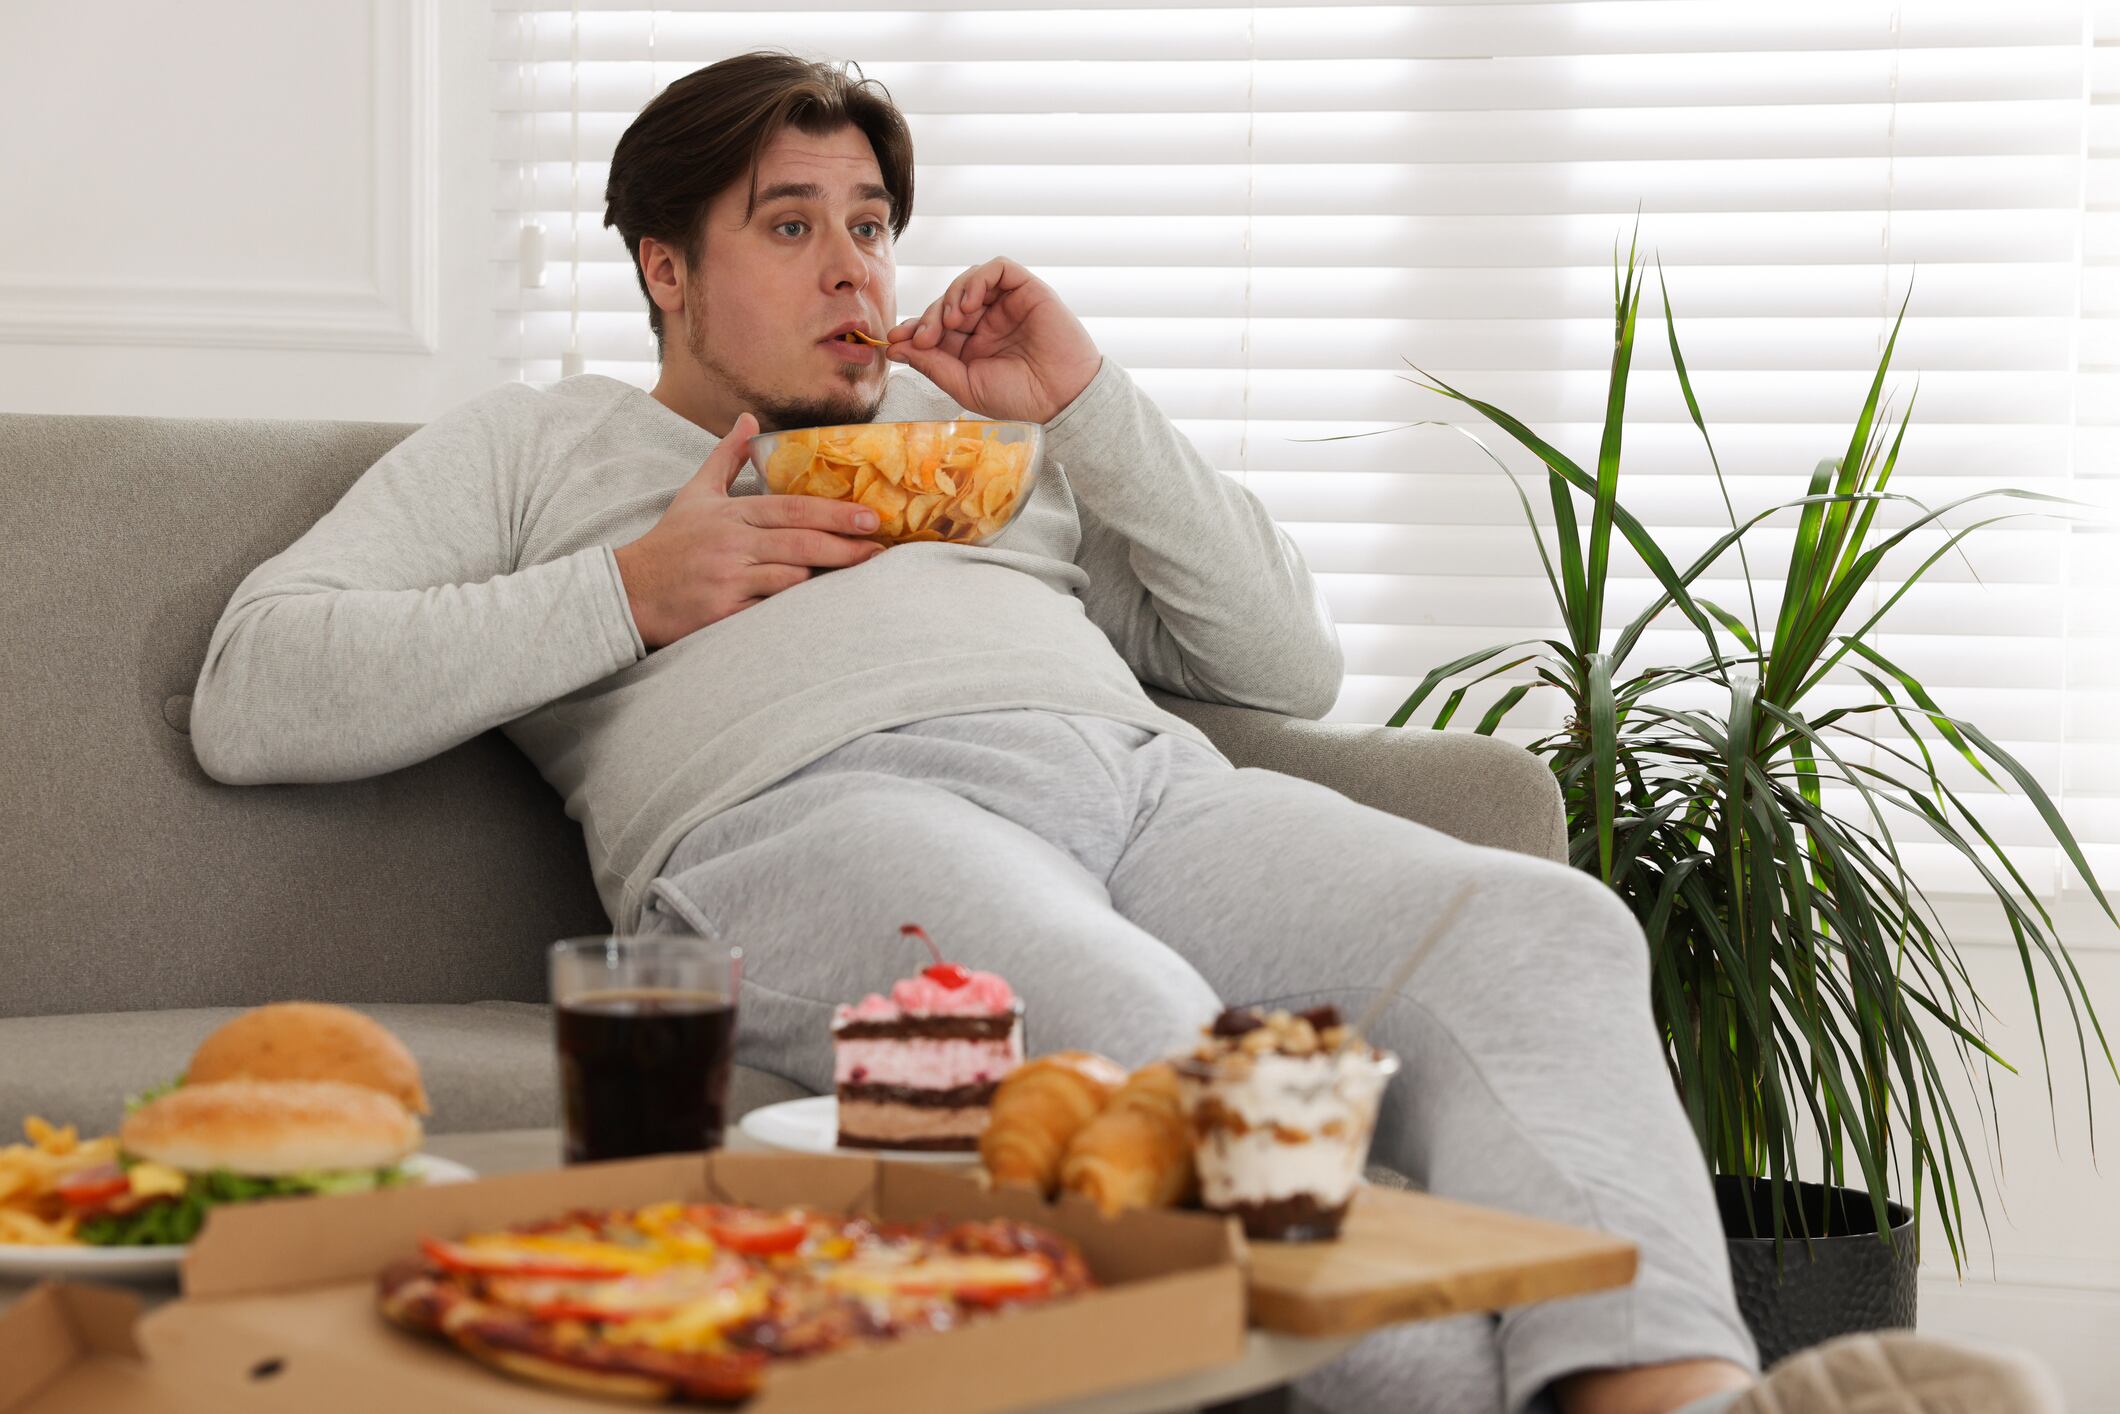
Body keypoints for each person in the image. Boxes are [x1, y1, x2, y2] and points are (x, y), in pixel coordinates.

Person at [188, 50, 2059, 1414]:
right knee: (1162, 1051)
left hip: (1152, 791)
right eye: (790, 225)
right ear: (665, 266)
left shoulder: (998, 454)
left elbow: (1288, 654)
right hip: (820, 824)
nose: (857, 270)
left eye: (872, 222)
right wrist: (630, 591)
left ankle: (1670, 1399)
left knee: (1543, 919)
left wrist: (1079, 398)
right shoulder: (541, 450)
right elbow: (260, 684)